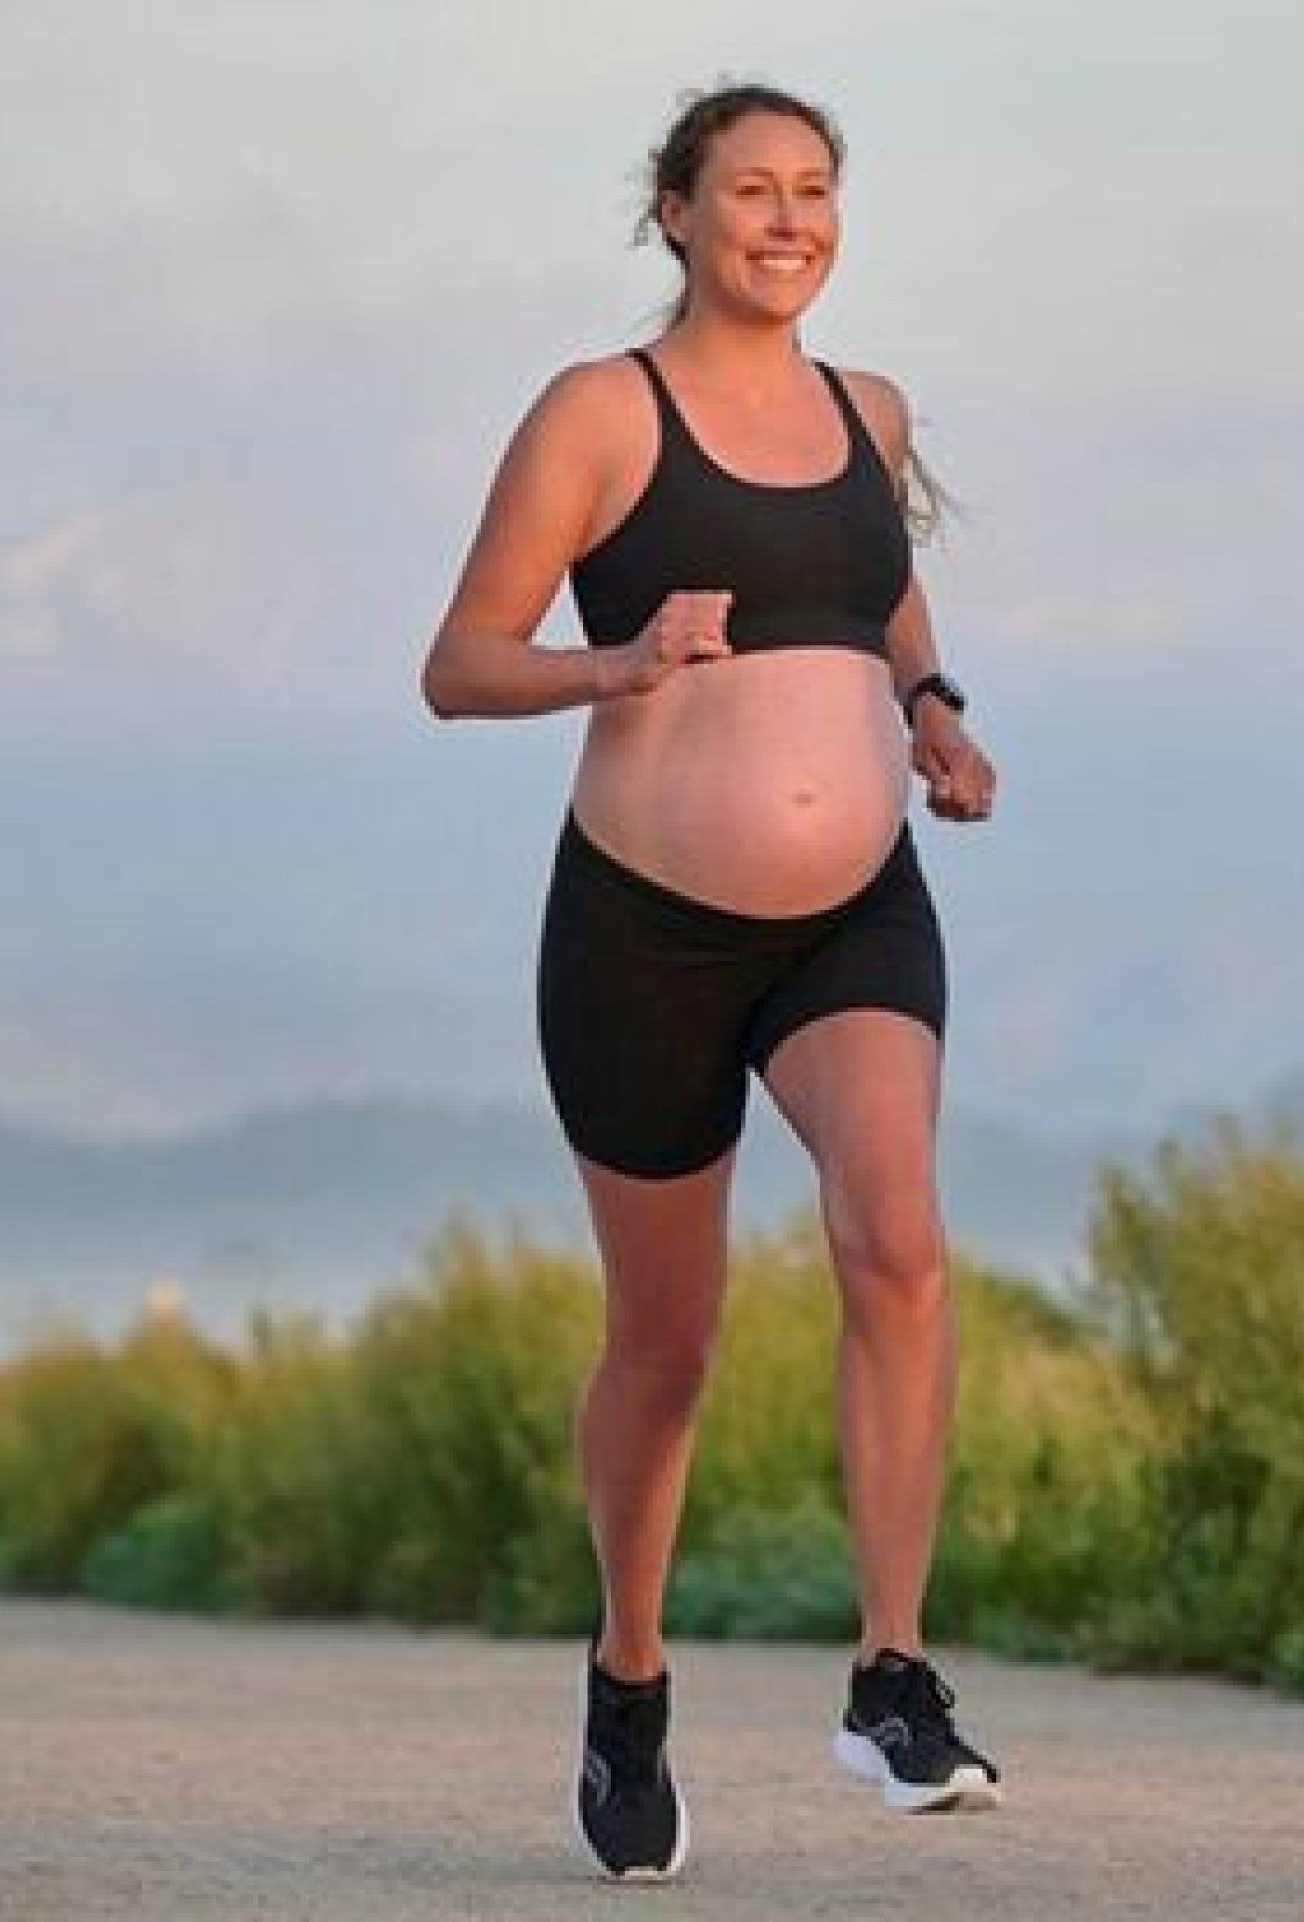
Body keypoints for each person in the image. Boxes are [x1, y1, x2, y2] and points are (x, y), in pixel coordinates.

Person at [420, 81, 1004, 1878]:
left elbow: (879, 584)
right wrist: (618, 662)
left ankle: (892, 1673)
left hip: (853, 915)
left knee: (895, 1234)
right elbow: (459, 662)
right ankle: (629, 1672)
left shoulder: (867, 409)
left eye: (813, 190)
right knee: (665, 1348)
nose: (786, 218)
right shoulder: (603, 413)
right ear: (673, 212)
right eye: (748, 189)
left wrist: (930, 708)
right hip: (643, 929)